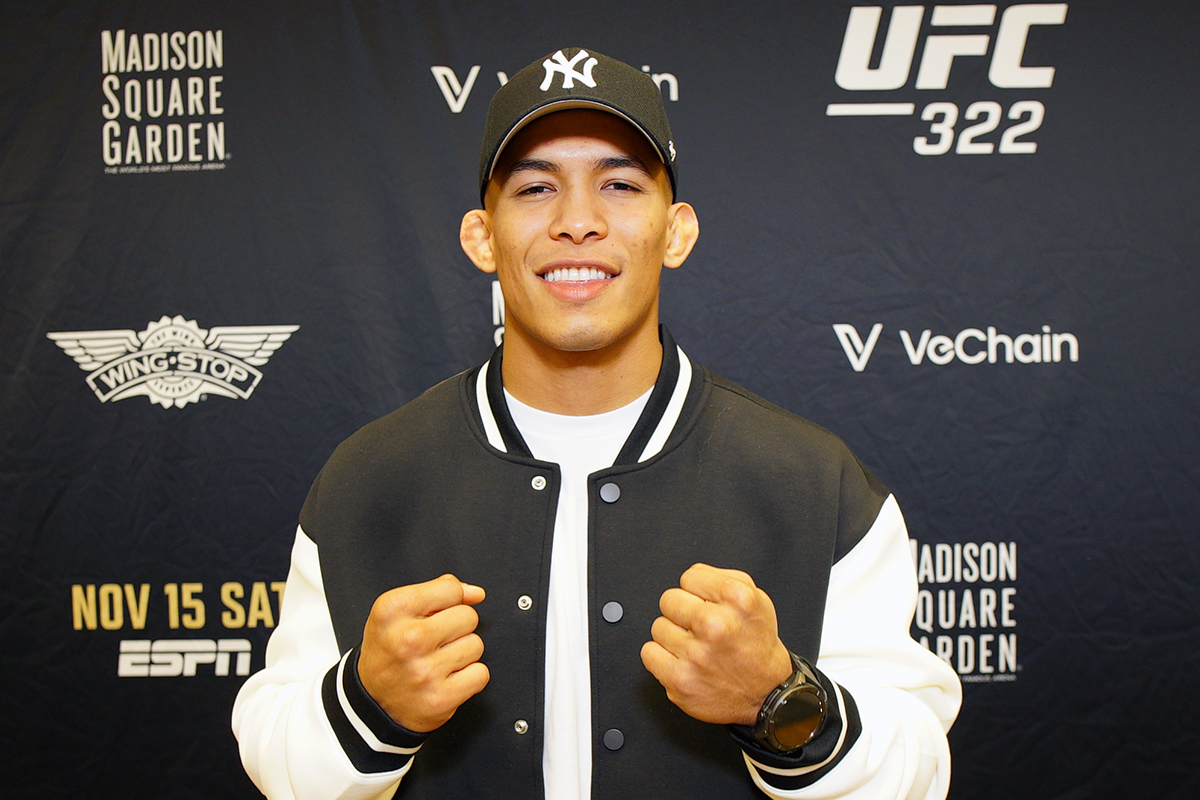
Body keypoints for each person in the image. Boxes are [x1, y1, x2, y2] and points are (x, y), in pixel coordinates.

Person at [232, 47, 961, 800]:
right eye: (536, 187)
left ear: (675, 231)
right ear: (481, 236)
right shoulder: (368, 477)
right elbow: (276, 753)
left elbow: (918, 772)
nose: (577, 221)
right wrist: (368, 705)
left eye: (618, 184)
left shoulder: (814, 481)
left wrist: (774, 700)